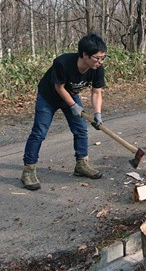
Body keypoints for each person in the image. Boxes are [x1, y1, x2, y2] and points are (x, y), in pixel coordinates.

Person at [21, 33, 108, 191]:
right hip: (49, 97)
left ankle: (81, 165)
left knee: (81, 130)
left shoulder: (97, 69)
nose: (100, 62)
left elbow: (96, 92)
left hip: (71, 95)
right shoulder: (63, 63)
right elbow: (59, 88)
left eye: (103, 58)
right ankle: (28, 170)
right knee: (39, 132)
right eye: (97, 58)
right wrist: (73, 105)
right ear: (85, 55)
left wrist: (97, 114)